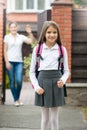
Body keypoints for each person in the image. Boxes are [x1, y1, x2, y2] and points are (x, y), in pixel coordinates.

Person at [29, 21, 70, 130]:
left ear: (58, 34)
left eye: (54, 32)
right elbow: (32, 72)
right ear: (44, 33)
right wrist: (37, 87)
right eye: (49, 32)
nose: (52, 35)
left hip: (57, 84)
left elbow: (66, 71)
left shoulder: (62, 50)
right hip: (42, 84)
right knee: (45, 118)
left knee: (54, 118)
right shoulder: (37, 49)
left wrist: (63, 80)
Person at [4, 22, 34, 106]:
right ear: (9, 29)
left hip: (19, 62)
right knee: (12, 81)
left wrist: (30, 33)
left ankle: (17, 99)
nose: (13, 28)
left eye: (15, 27)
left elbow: (31, 41)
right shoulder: (7, 37)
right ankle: (16, 100)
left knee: (19, 81)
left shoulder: (20, 37)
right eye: (12, 27)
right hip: (9, 62)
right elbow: (5, 50)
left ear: (17, 28)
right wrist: (6, 62)